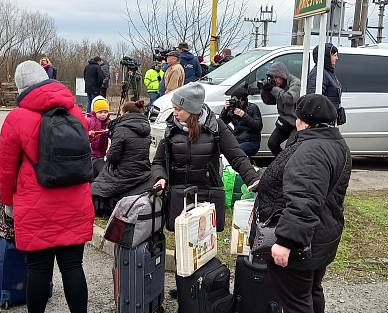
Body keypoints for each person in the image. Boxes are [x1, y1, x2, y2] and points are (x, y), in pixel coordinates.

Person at [0, 60, 94, 313]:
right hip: (75, 202)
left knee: (37, 270)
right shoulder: (75, 111)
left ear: (20, 87)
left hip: (36, 205)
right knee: (73, 268)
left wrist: (8, 203)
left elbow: (5, 168)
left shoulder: (17, 118)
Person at [255, 94, 351, 313]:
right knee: (310, 293)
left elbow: (304, 198)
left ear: (303, 121)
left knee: (297, 301)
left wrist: (286, 241)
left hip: (303, 239)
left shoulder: (311, 150)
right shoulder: (333, 142)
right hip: (322, 234)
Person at [151, 82, 260, 227]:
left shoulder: (216, 126)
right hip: (179, 193)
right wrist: (160, 178)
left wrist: (253, 179)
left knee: (205, 241)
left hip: (208, 193)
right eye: (174, 108)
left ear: (191, 110)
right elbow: (158, 161)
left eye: (178, 109)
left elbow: (237, 156)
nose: (174, 113)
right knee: (182, 242)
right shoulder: (171, 128)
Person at [91, 100, 153, 215]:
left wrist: (109, 151)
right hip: (141, 171)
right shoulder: (146, 129)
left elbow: (112, 158)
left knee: (98, 180)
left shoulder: (121, 129)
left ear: (126, 113)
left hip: (123, 173)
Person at [260, 62, 300, 157]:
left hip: (296, 123)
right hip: (285, 121)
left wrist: (273, 89)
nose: (275, 80)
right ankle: (281, 164)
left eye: (276, 77)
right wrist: (265, 90)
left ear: (283, 75)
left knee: (289, 149)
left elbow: (289, 98)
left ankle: (287, 166)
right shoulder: (278, 86)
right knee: (272, 144)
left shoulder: (296, 83)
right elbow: (269, 101)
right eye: (272, 78)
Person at [219, 87, 263, 157]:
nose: (235, 103)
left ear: (243, 100)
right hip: (237, 140)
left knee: (237, 151)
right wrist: (225, 110)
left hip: (251, 141)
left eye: (237, 101)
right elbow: (221, 123)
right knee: (220, 150)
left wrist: (244, 115)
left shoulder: (253, 107)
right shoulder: (232, 109)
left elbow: (258, 127)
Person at [306, 43, 342, 118]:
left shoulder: (328, 72)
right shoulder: (318, 73)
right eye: (334, 55)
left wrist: (338, 111)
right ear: (327, 57)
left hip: (328, 119)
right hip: (322, 121)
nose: (337, 58)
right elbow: (314, 100)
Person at [87, 96, 111, 177]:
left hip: (102, 153)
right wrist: (88, 134)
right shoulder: (89, 121)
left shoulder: (108, 123)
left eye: (105, 112)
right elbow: (80, 134)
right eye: (100, 112)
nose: (103, 114)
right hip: (91, 154)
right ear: (94, 112)